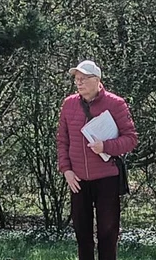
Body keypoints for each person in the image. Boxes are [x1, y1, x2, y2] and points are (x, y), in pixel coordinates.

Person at [57, 60, 138, 260]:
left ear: (97, 80)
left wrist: (106, 147)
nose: (79, 83)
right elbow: (62, 140)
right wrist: (66, 170)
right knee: (82, 234)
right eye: (76, 79)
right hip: (78, 180)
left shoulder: (115, 103)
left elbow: (131, 139)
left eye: (83, 79)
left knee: (107, 233)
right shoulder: (69, 104)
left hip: (107, 178)